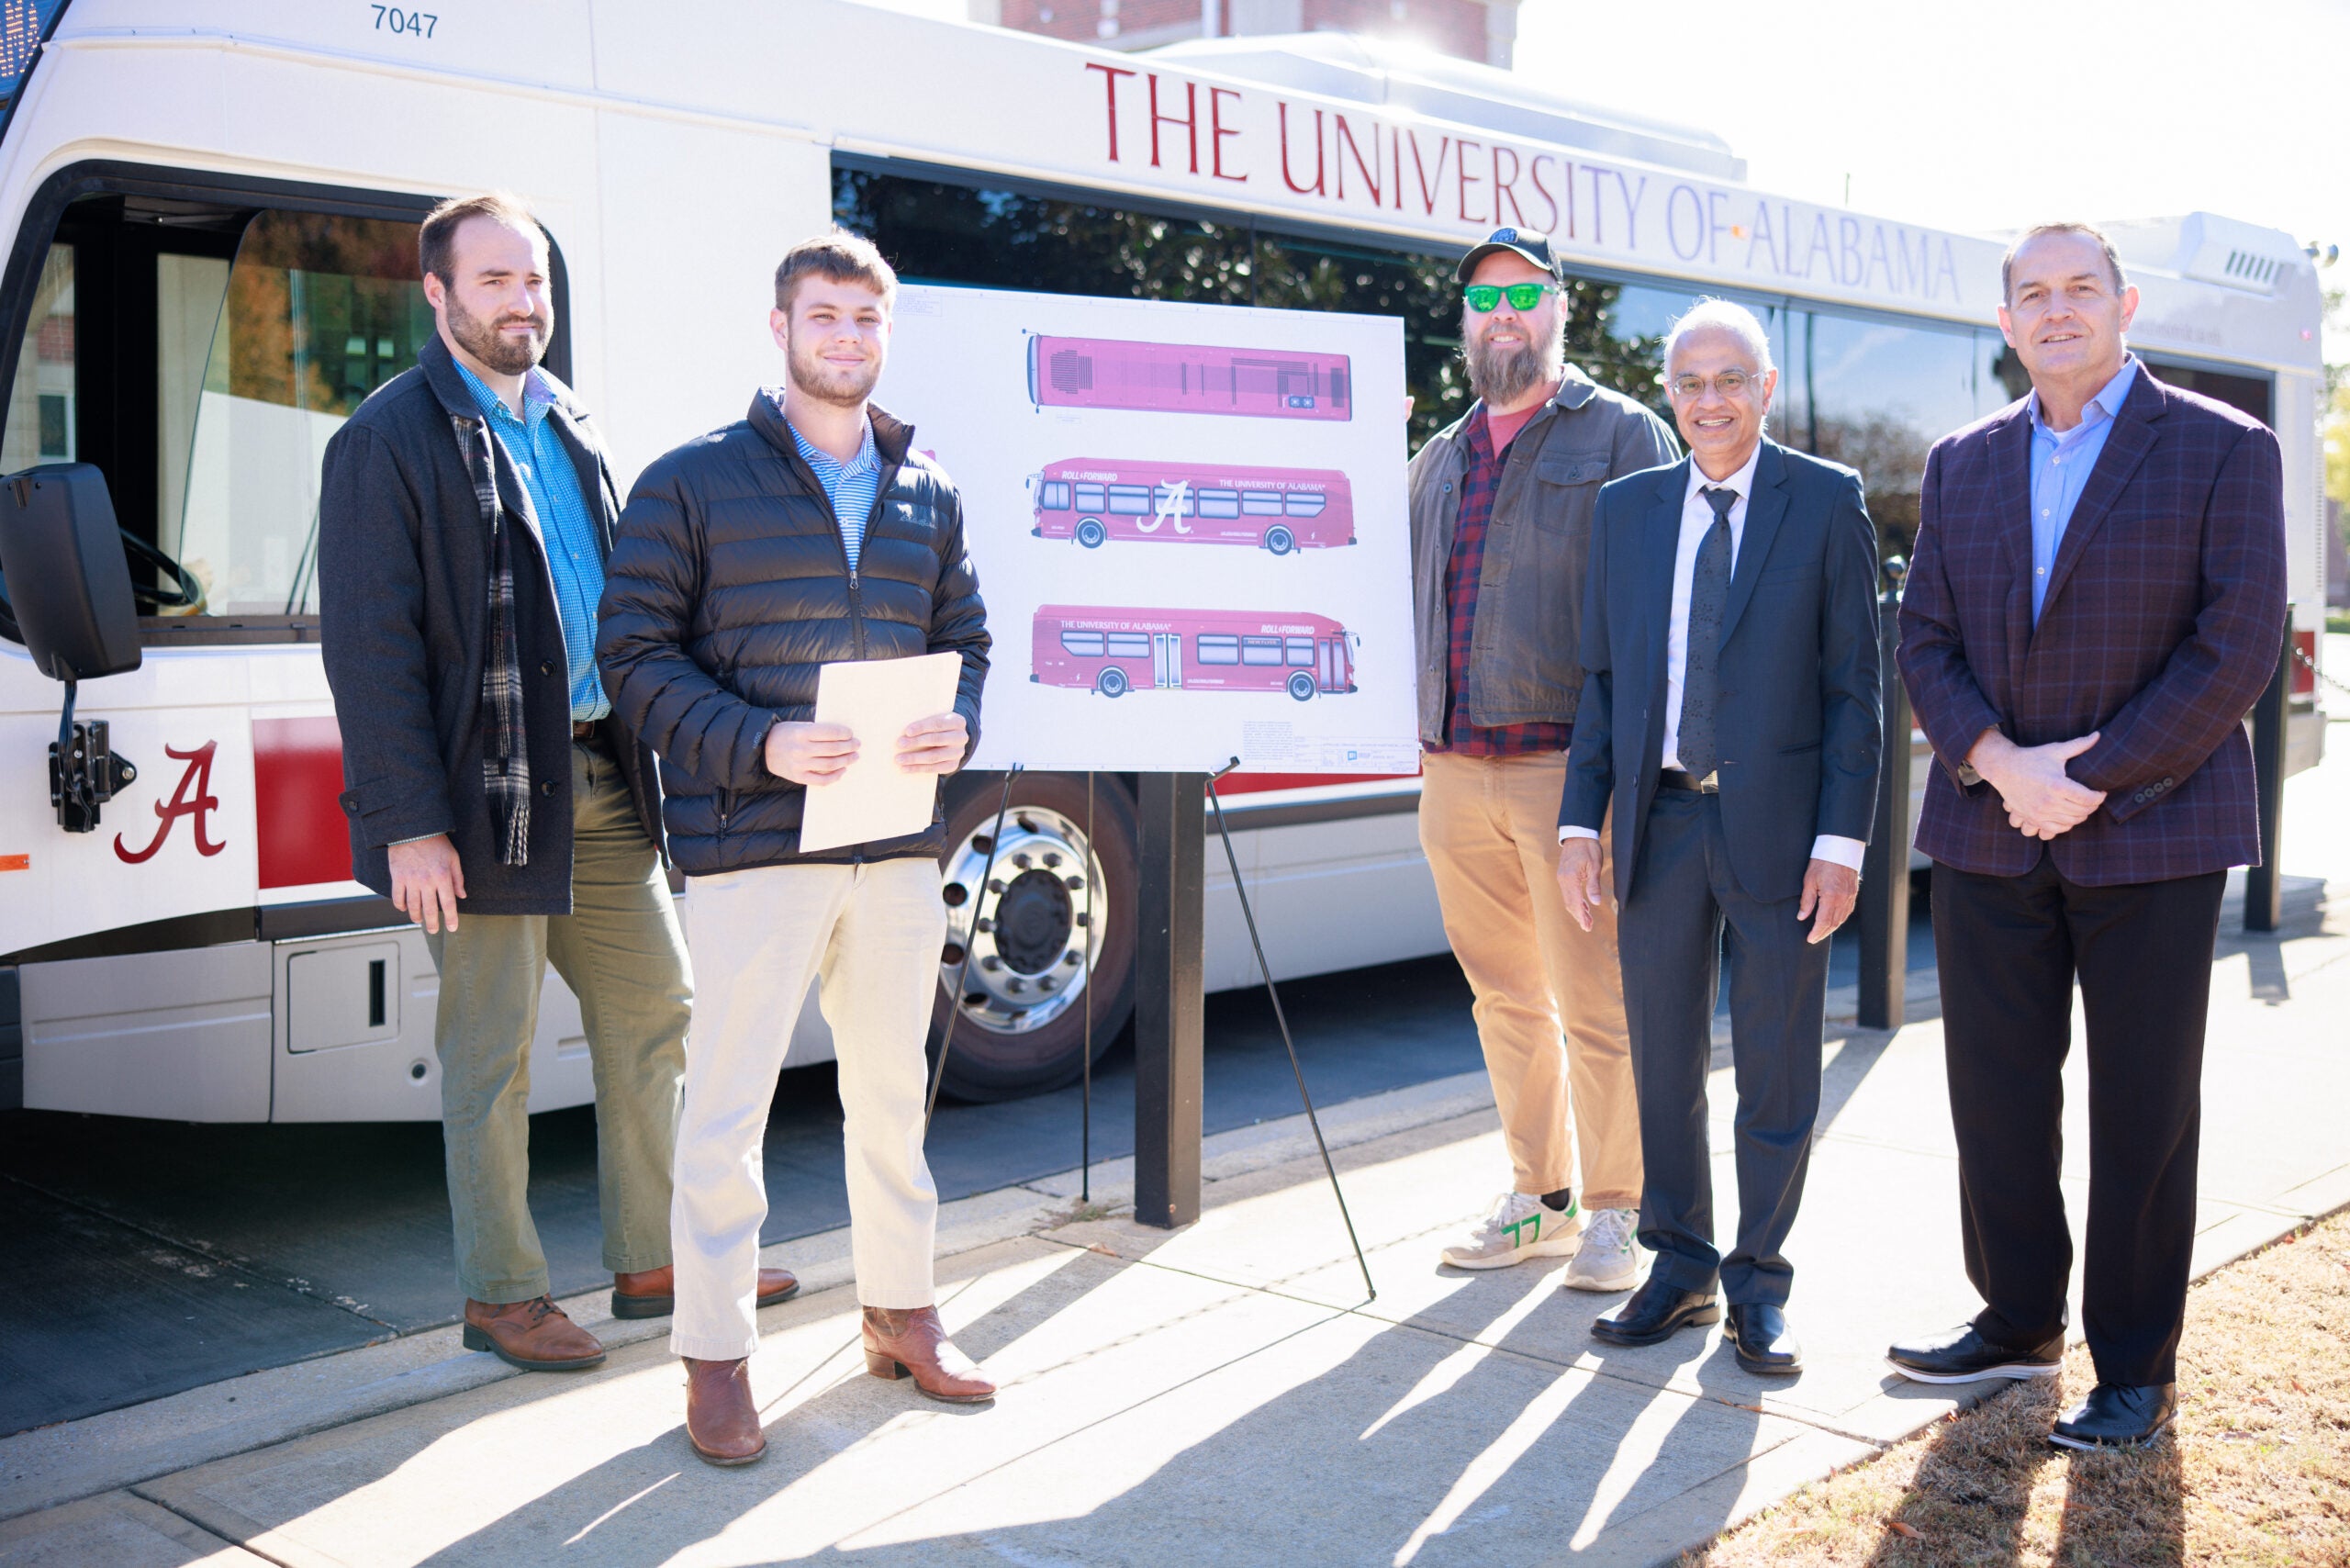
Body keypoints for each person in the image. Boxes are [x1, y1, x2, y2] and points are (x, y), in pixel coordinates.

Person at [319, 194, 793, 1372]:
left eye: (532, 282)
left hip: (601, 779)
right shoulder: (385, 440)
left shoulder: (567, 422)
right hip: (479, 806)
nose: (522, 302)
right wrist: (407, 826)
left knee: (655, 1014)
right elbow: (368, 651)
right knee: (495, 1053)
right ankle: (503, 1293)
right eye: (493, 283)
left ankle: (656, 1258)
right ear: (437, 295)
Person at [1887, 224, 2288, 1450]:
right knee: (1996, 1095)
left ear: (2126, 305)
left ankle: (2132, 1366)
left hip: (2155, 830)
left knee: (2144, 1109)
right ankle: (2016, 1321)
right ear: (2007, 323)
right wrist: (2001, 764)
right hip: (1989, 825)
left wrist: (2095, 776)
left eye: (2079, 290)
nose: (2056, 311)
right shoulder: (1961, 462)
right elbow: (1924, 640)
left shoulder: (2226, 448)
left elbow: (2237, 649)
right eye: (2032, 295)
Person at [599, 230, 992, 1467]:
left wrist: (960, 717)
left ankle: (903, 1312)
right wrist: (758, 744)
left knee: (891, 1101)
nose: (847, 340)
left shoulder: (928, 485)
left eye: (867, 321)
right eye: (825, 318)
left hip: (893, 843)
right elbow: (634, 663)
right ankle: (714, 1362)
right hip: (753, 844)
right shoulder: (690, 482)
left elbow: (967, 634)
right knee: (726, 1116)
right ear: (781, 328)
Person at [1558, 299, 1882, 1374]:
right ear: (1669, 392)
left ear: (1766, 387)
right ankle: (1681, 1264)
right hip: (1659, 823)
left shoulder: (1825, 503)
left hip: (1786, 838)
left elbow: (1853, 692)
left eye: (1730, 379)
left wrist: (1844, 841)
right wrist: (1578, 820)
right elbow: (1602, 683)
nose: (1710, 399)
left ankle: (1758, 1284)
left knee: (1779, 1068)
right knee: (1662, 1059)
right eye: (1690, 381)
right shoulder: (1627, 510)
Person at [1407, 227, 1680, 1289]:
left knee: (1597, 997)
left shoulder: (1621, 435)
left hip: (1571, 770)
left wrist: (1622, 778)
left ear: (1559, 307)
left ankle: (1622, 1208)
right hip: (1452, 769)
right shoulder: (1436, 456)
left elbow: (1662, 616)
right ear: (1465, 321)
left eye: (1523, 293)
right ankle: (1542, 1196)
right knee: (1503, 997)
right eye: (1483, 299)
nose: (1503, 312)